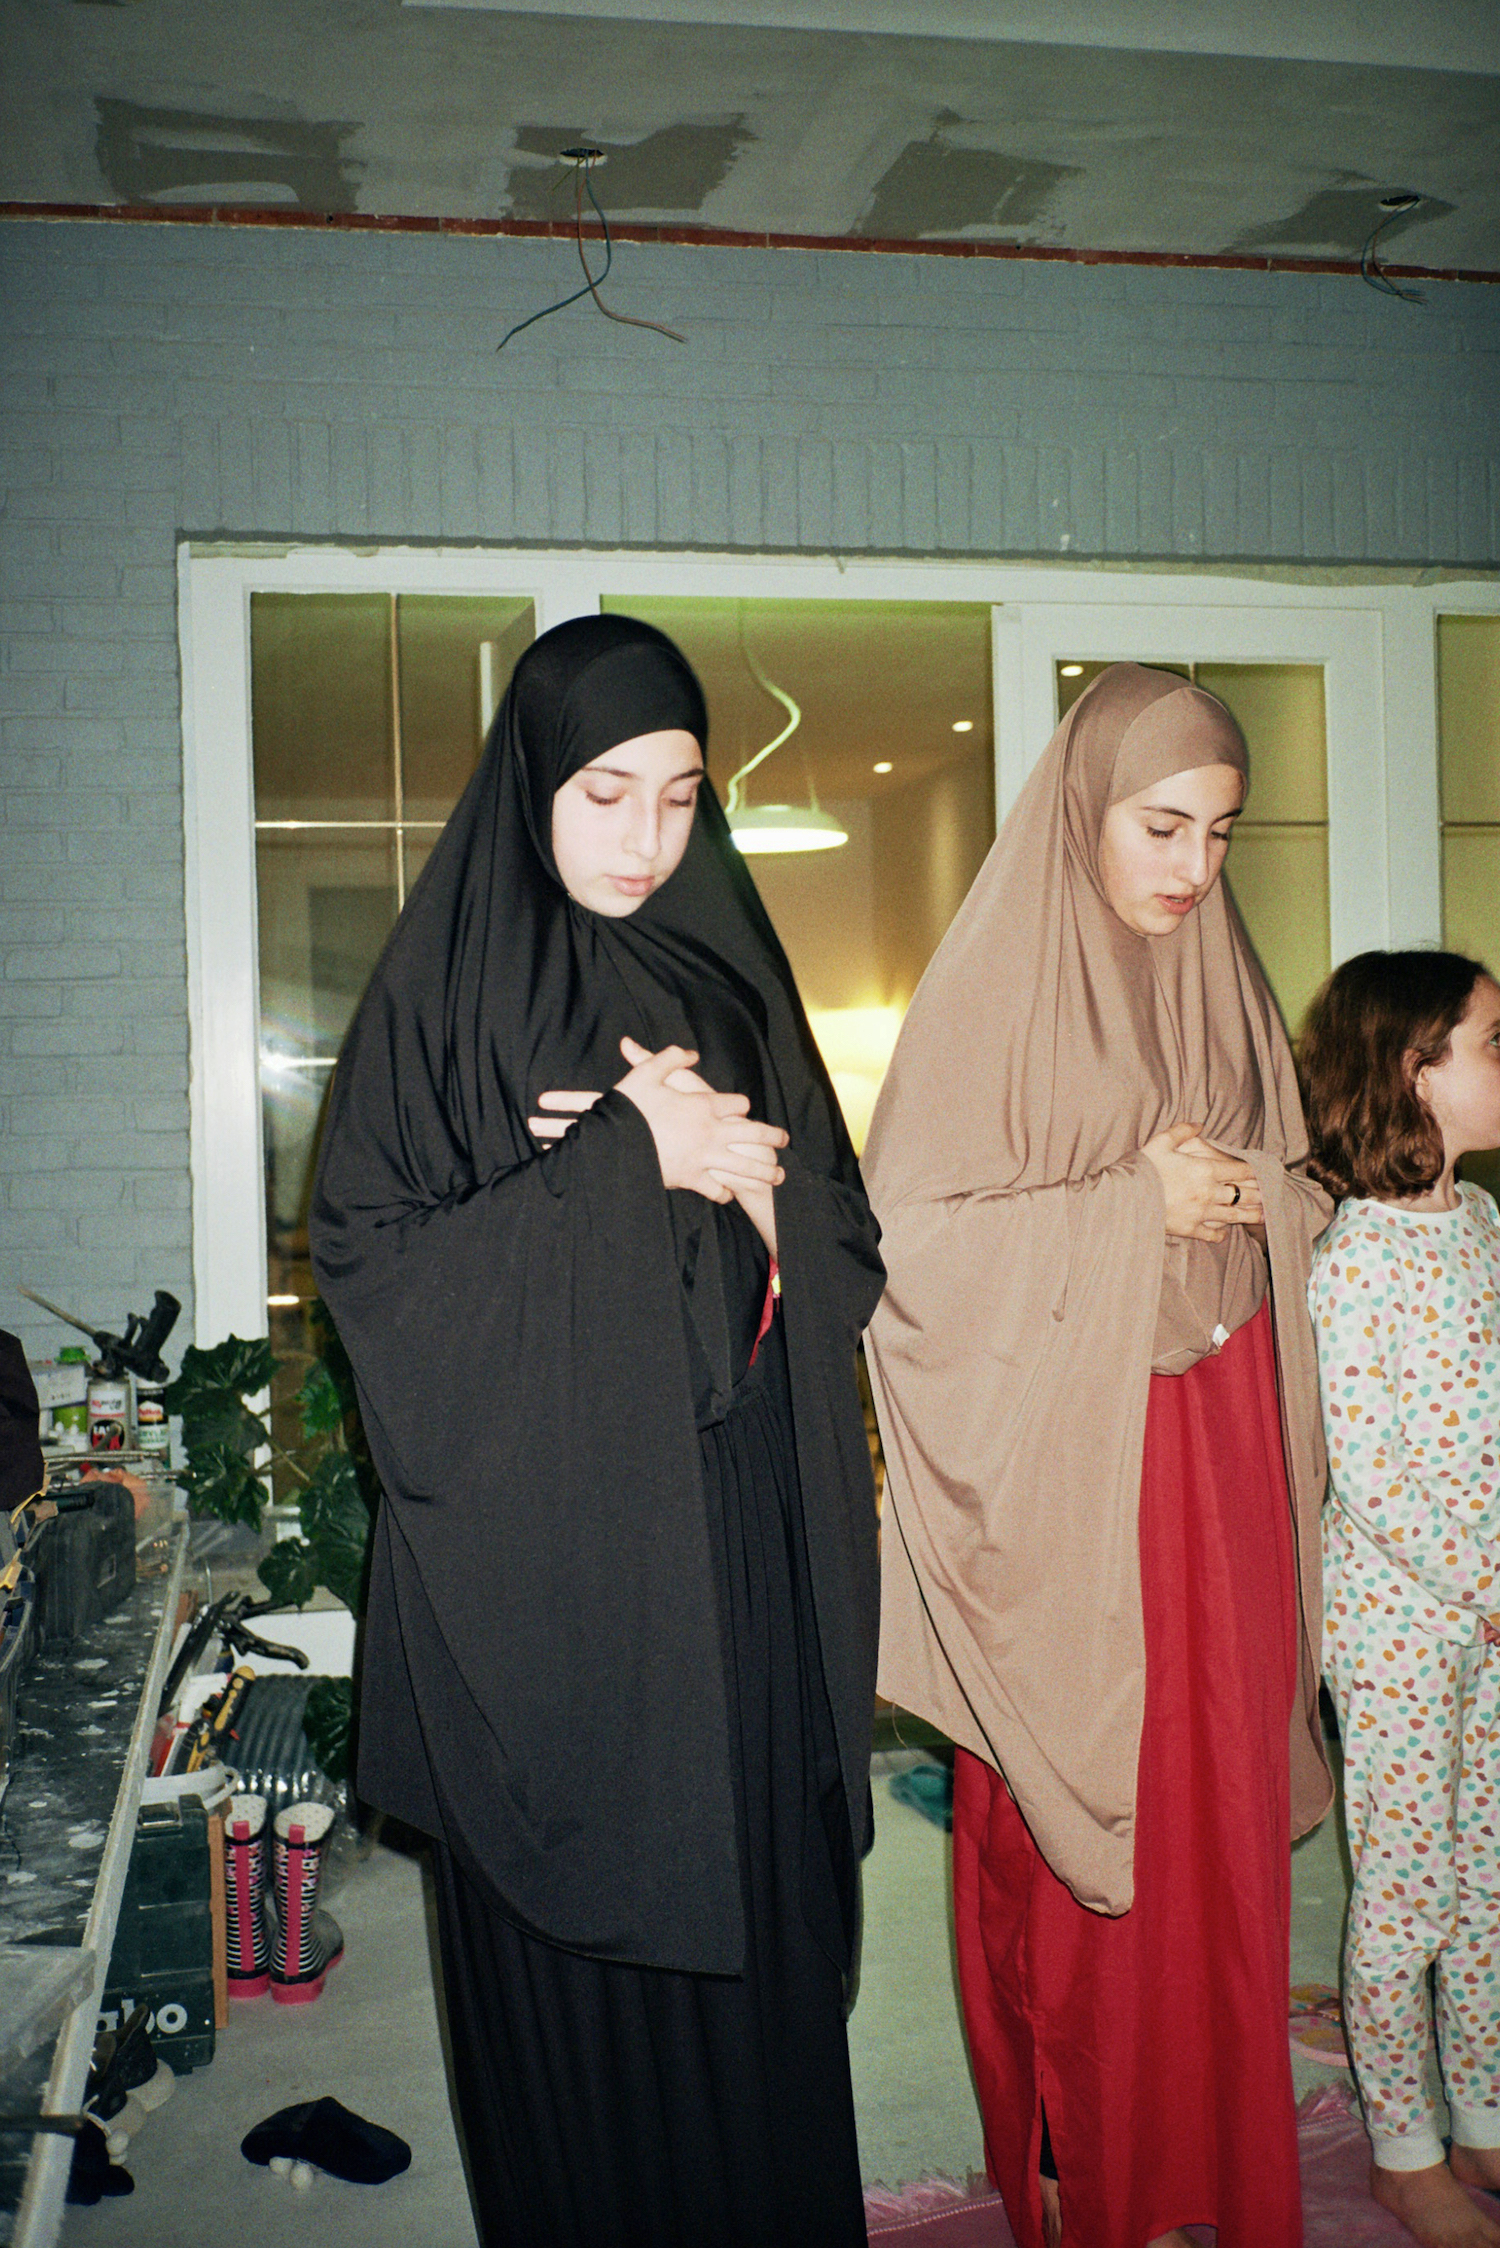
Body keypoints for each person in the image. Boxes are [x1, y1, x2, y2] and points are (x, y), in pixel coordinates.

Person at [308, 614, 884, 2248]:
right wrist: (619, 1165)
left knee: (754, 1960)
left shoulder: (733, 974)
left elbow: (843, 1236)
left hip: (735, 1540)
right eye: (604, 793)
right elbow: (374, 1268)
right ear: (532, 788)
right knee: (590, 1993)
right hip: (552, 1576)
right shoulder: (446, 998)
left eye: (682, 797)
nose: (644, 840)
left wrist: (750, 1184)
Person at [862, 663, 1334, 2248]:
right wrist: (1126, 1209)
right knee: (1086, 1842)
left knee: (1212, 1834)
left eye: (1218, 833)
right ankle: (1093, 2184)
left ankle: (1206, 2166)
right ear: (1083, 814)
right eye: (1159, 825)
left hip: (1223, 1470)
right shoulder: (994, 990)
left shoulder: (1225, 975)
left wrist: (1256, 1196)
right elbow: (908, 1250)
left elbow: (1301, 1187)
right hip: (1078, 1482)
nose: (1192, 868)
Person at [1302, 950, 1500, 2248]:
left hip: (1488, 1615)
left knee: (1489, 1879)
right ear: (1413, 1070)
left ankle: (1480, 2114)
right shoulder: (1354, 1257)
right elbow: (1372, 1471)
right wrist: (1484, 1589)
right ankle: (1404, 2144)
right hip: (1403, 1629)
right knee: (1410, 1894)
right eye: (1492, 1039)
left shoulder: (1481, 1226)